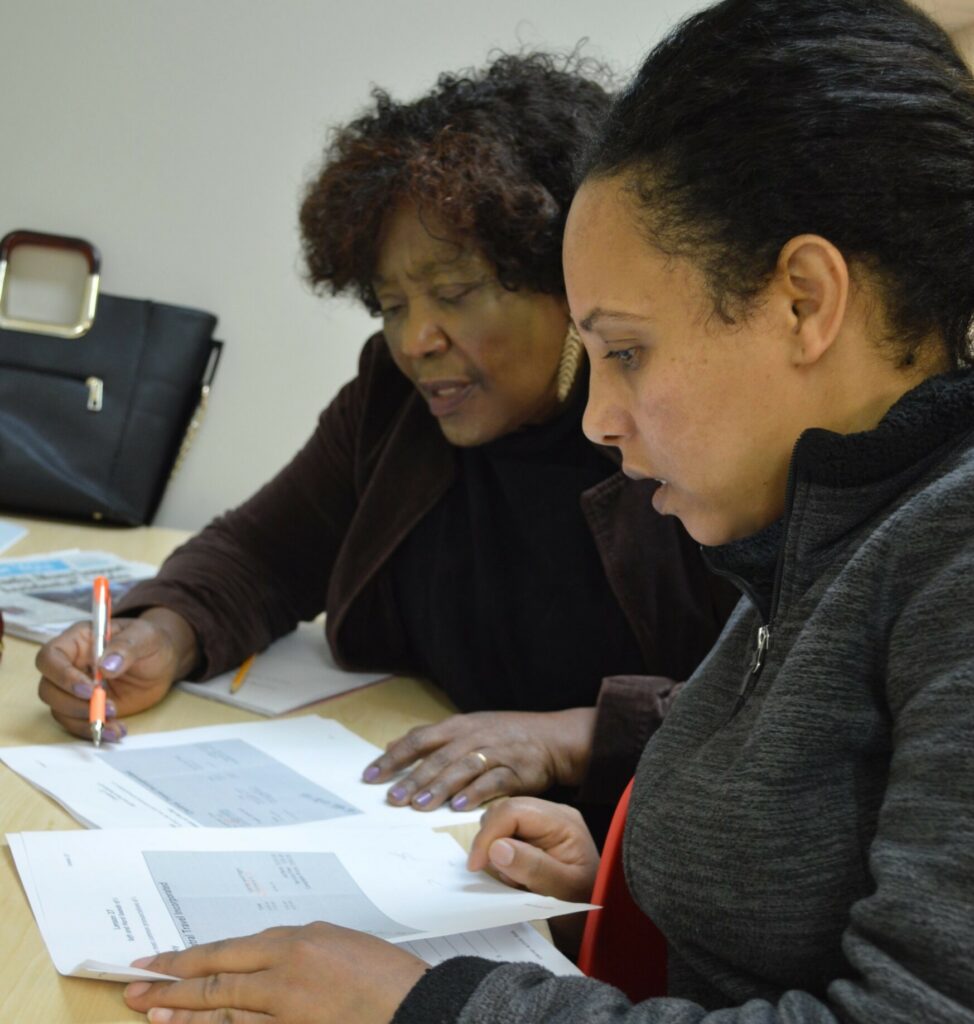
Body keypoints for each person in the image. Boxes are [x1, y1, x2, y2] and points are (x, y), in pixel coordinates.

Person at [120, 1, 974, 1021]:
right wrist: (622, 904)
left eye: (623, 349)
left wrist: (429, 1006)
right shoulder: (818, 517)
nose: (600, 419)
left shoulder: (934, 549)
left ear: (802, 299)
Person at [35, 52, 734, 830]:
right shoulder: (399, 397)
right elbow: (265, 551)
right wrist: (158, 634)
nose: (417, 339)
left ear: (568, 275)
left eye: (454, 293)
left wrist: (575, 738)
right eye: (390, 304)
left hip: (622, 851)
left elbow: (770, 701)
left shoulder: (679, 423)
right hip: (424, 819)